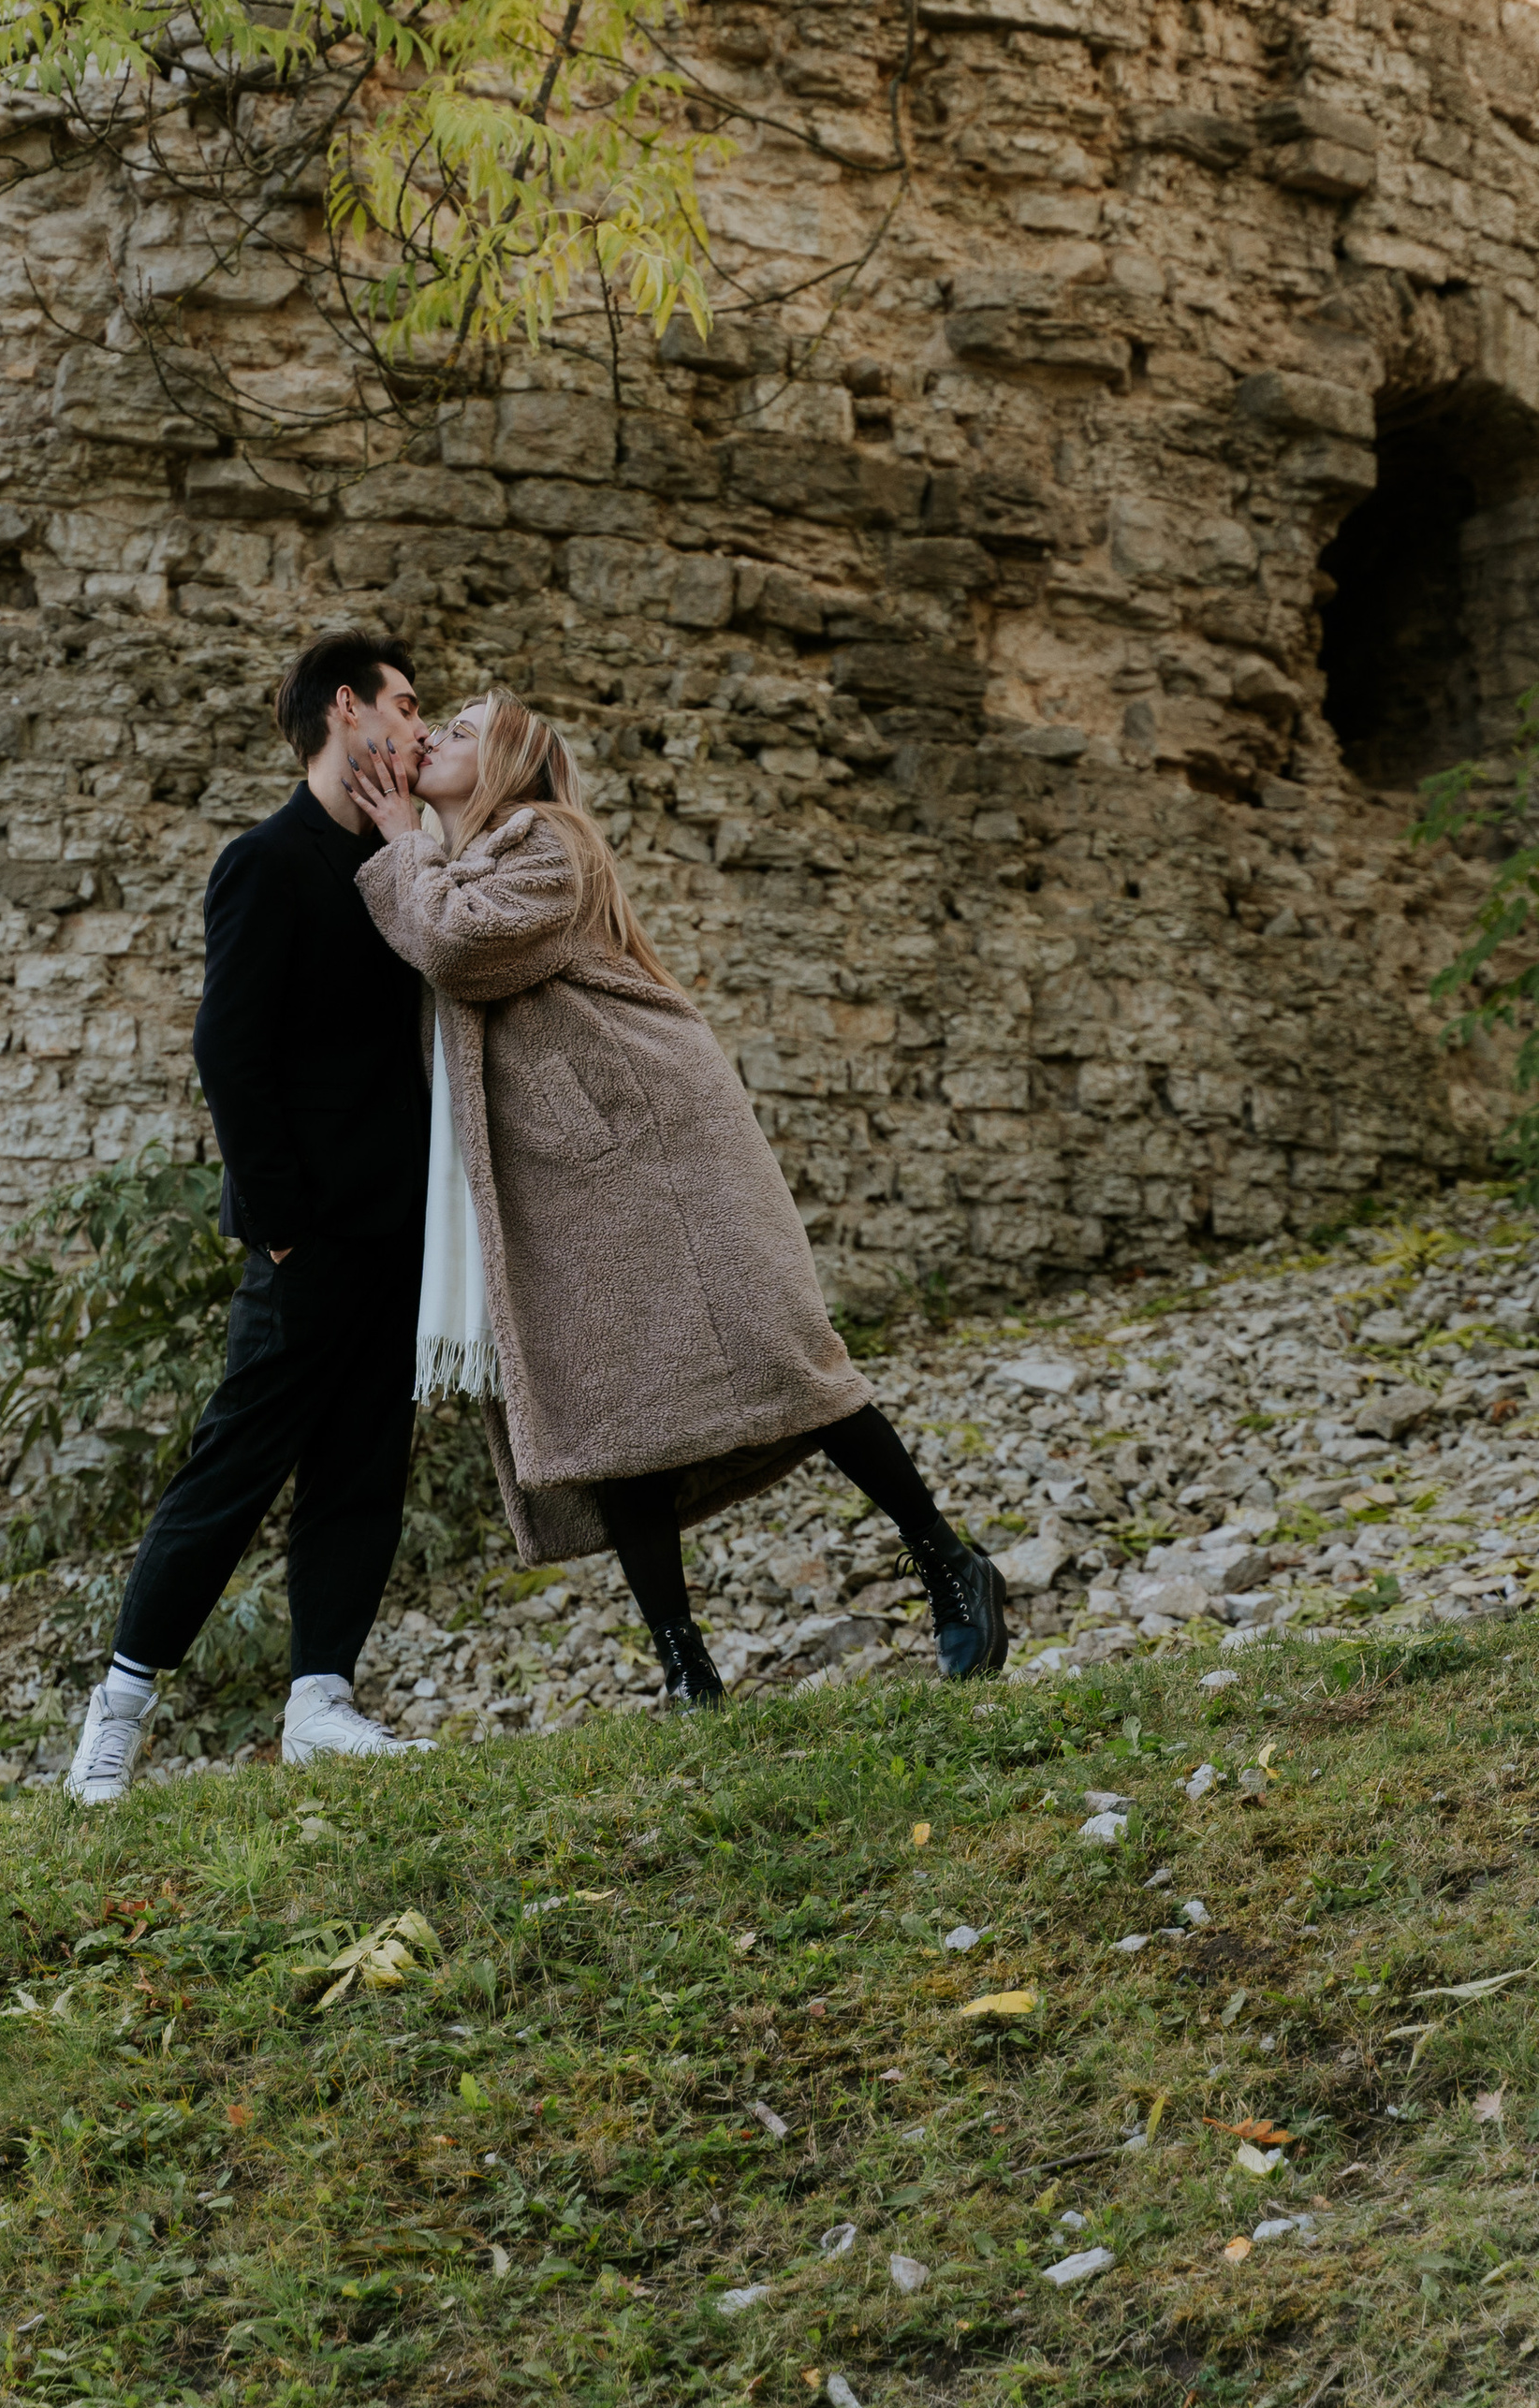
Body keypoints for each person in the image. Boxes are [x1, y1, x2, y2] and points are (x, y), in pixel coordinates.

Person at [349, 690, 1007, 1703]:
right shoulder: (455, 859)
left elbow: (457, 947)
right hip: (564, 1176)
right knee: (609, 1406)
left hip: (657, 1148)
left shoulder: (546, 841)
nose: (433, 734)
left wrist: (401, 839)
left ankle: (949, 1564)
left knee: (786, 1358)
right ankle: (685, 1670)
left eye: (462, 731)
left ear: (510, 764)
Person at [64, 629, 440, 1803]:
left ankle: (320, 1704)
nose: (420, 726)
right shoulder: (264, 861)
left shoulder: (402, 857)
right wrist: (280, 1224)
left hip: (403, 1225)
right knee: (233, 1468)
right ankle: (118, 1713)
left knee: (362, 1470)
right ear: (347, 708)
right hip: (307, 1233)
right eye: (406, 704)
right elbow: (228, 1051)